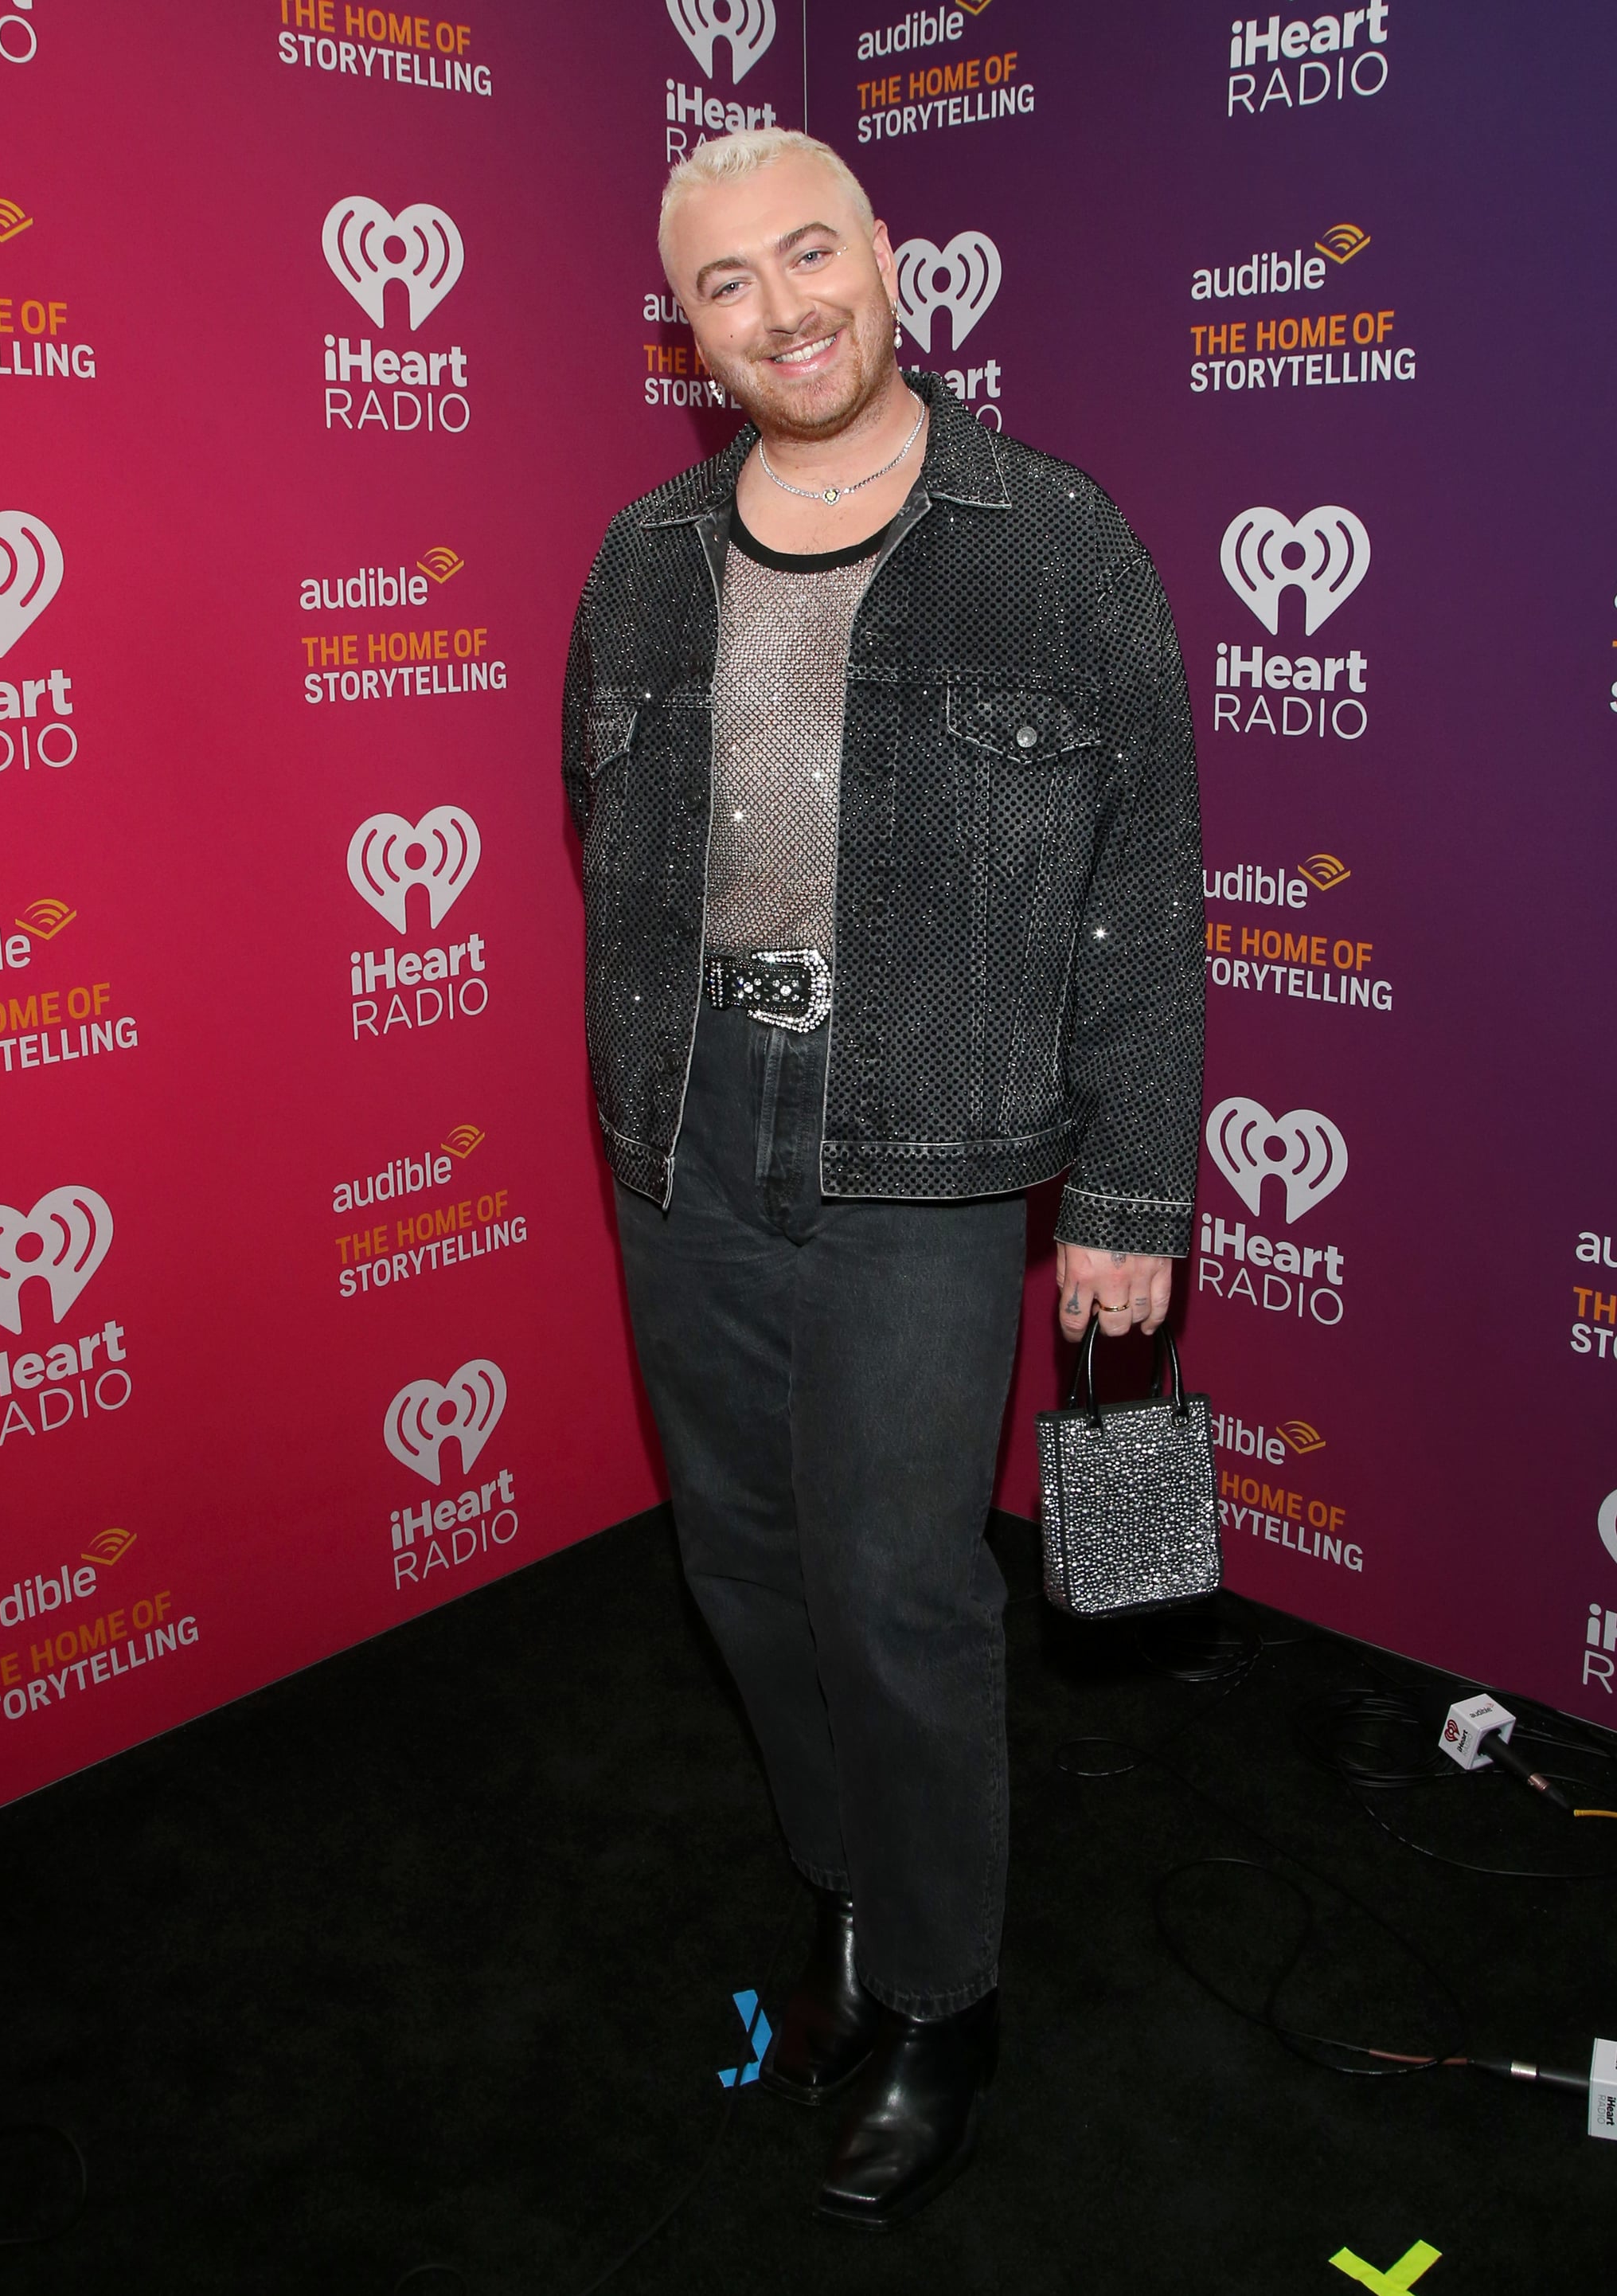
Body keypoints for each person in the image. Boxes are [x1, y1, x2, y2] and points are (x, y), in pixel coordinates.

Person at [562, 128, 1203, 2230]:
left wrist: (1129, 1190)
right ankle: (847, 1883)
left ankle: (942, 1991)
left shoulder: (1057, 543)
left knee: (901, 1589)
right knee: (741, 1561)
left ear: (892, 261)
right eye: (727, 283)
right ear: (692, 328)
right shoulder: (646, 558)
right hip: (683, 1126)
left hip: (926, 1140)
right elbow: (603, 808)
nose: (782, 306)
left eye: (810, 252)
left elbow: (1143, 894)